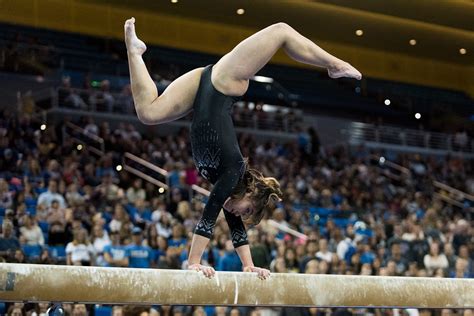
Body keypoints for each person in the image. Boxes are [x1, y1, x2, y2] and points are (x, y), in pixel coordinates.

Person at [124, 17, 361, 278]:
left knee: (148, 112)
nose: (238, 213)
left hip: (202, 87)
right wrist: (194, 261)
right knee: (280, 31)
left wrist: (248, 265)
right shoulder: (232, 171)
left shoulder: (228, 184)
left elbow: (234, 226)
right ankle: (334, 64)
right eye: (246, 210)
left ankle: (134, 52)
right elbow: (210, 212)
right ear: (250, 191)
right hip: (225, 80)